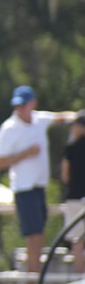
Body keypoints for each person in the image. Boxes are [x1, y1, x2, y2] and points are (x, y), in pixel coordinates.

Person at [0, 85, 75, 284]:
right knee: (34, 235)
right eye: (18, 105)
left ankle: (35, 279)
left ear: (32, 103)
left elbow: (60, 118)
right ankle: (32, 283)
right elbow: (0, 162)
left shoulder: (39, 120)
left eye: (24, 104)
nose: (20, 109)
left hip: (39, 187)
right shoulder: (9, 128)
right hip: (24, 188)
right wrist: (26, 153)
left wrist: (78, 116)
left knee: (39, 235)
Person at [61, 111, 85, 274]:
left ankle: (80, 282)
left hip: (75, 197)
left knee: (77, 241)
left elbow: (65, 176)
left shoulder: (70, 148)